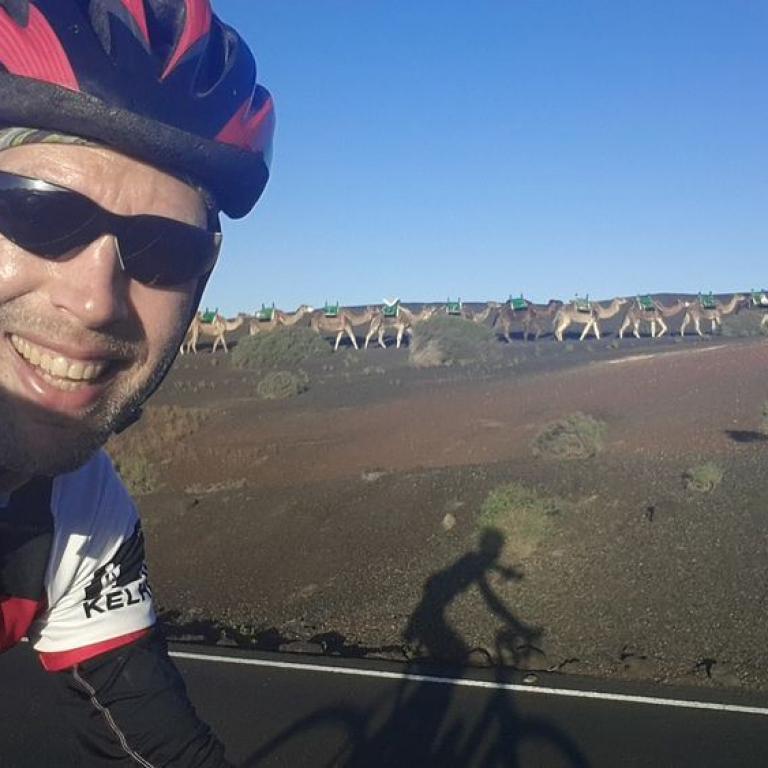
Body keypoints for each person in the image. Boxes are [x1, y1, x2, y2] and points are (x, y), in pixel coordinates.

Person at [0, 1, 274, 764]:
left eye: (165, 249)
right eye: (37, 213)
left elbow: (157, 745)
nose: (96, 300)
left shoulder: (77, 506)